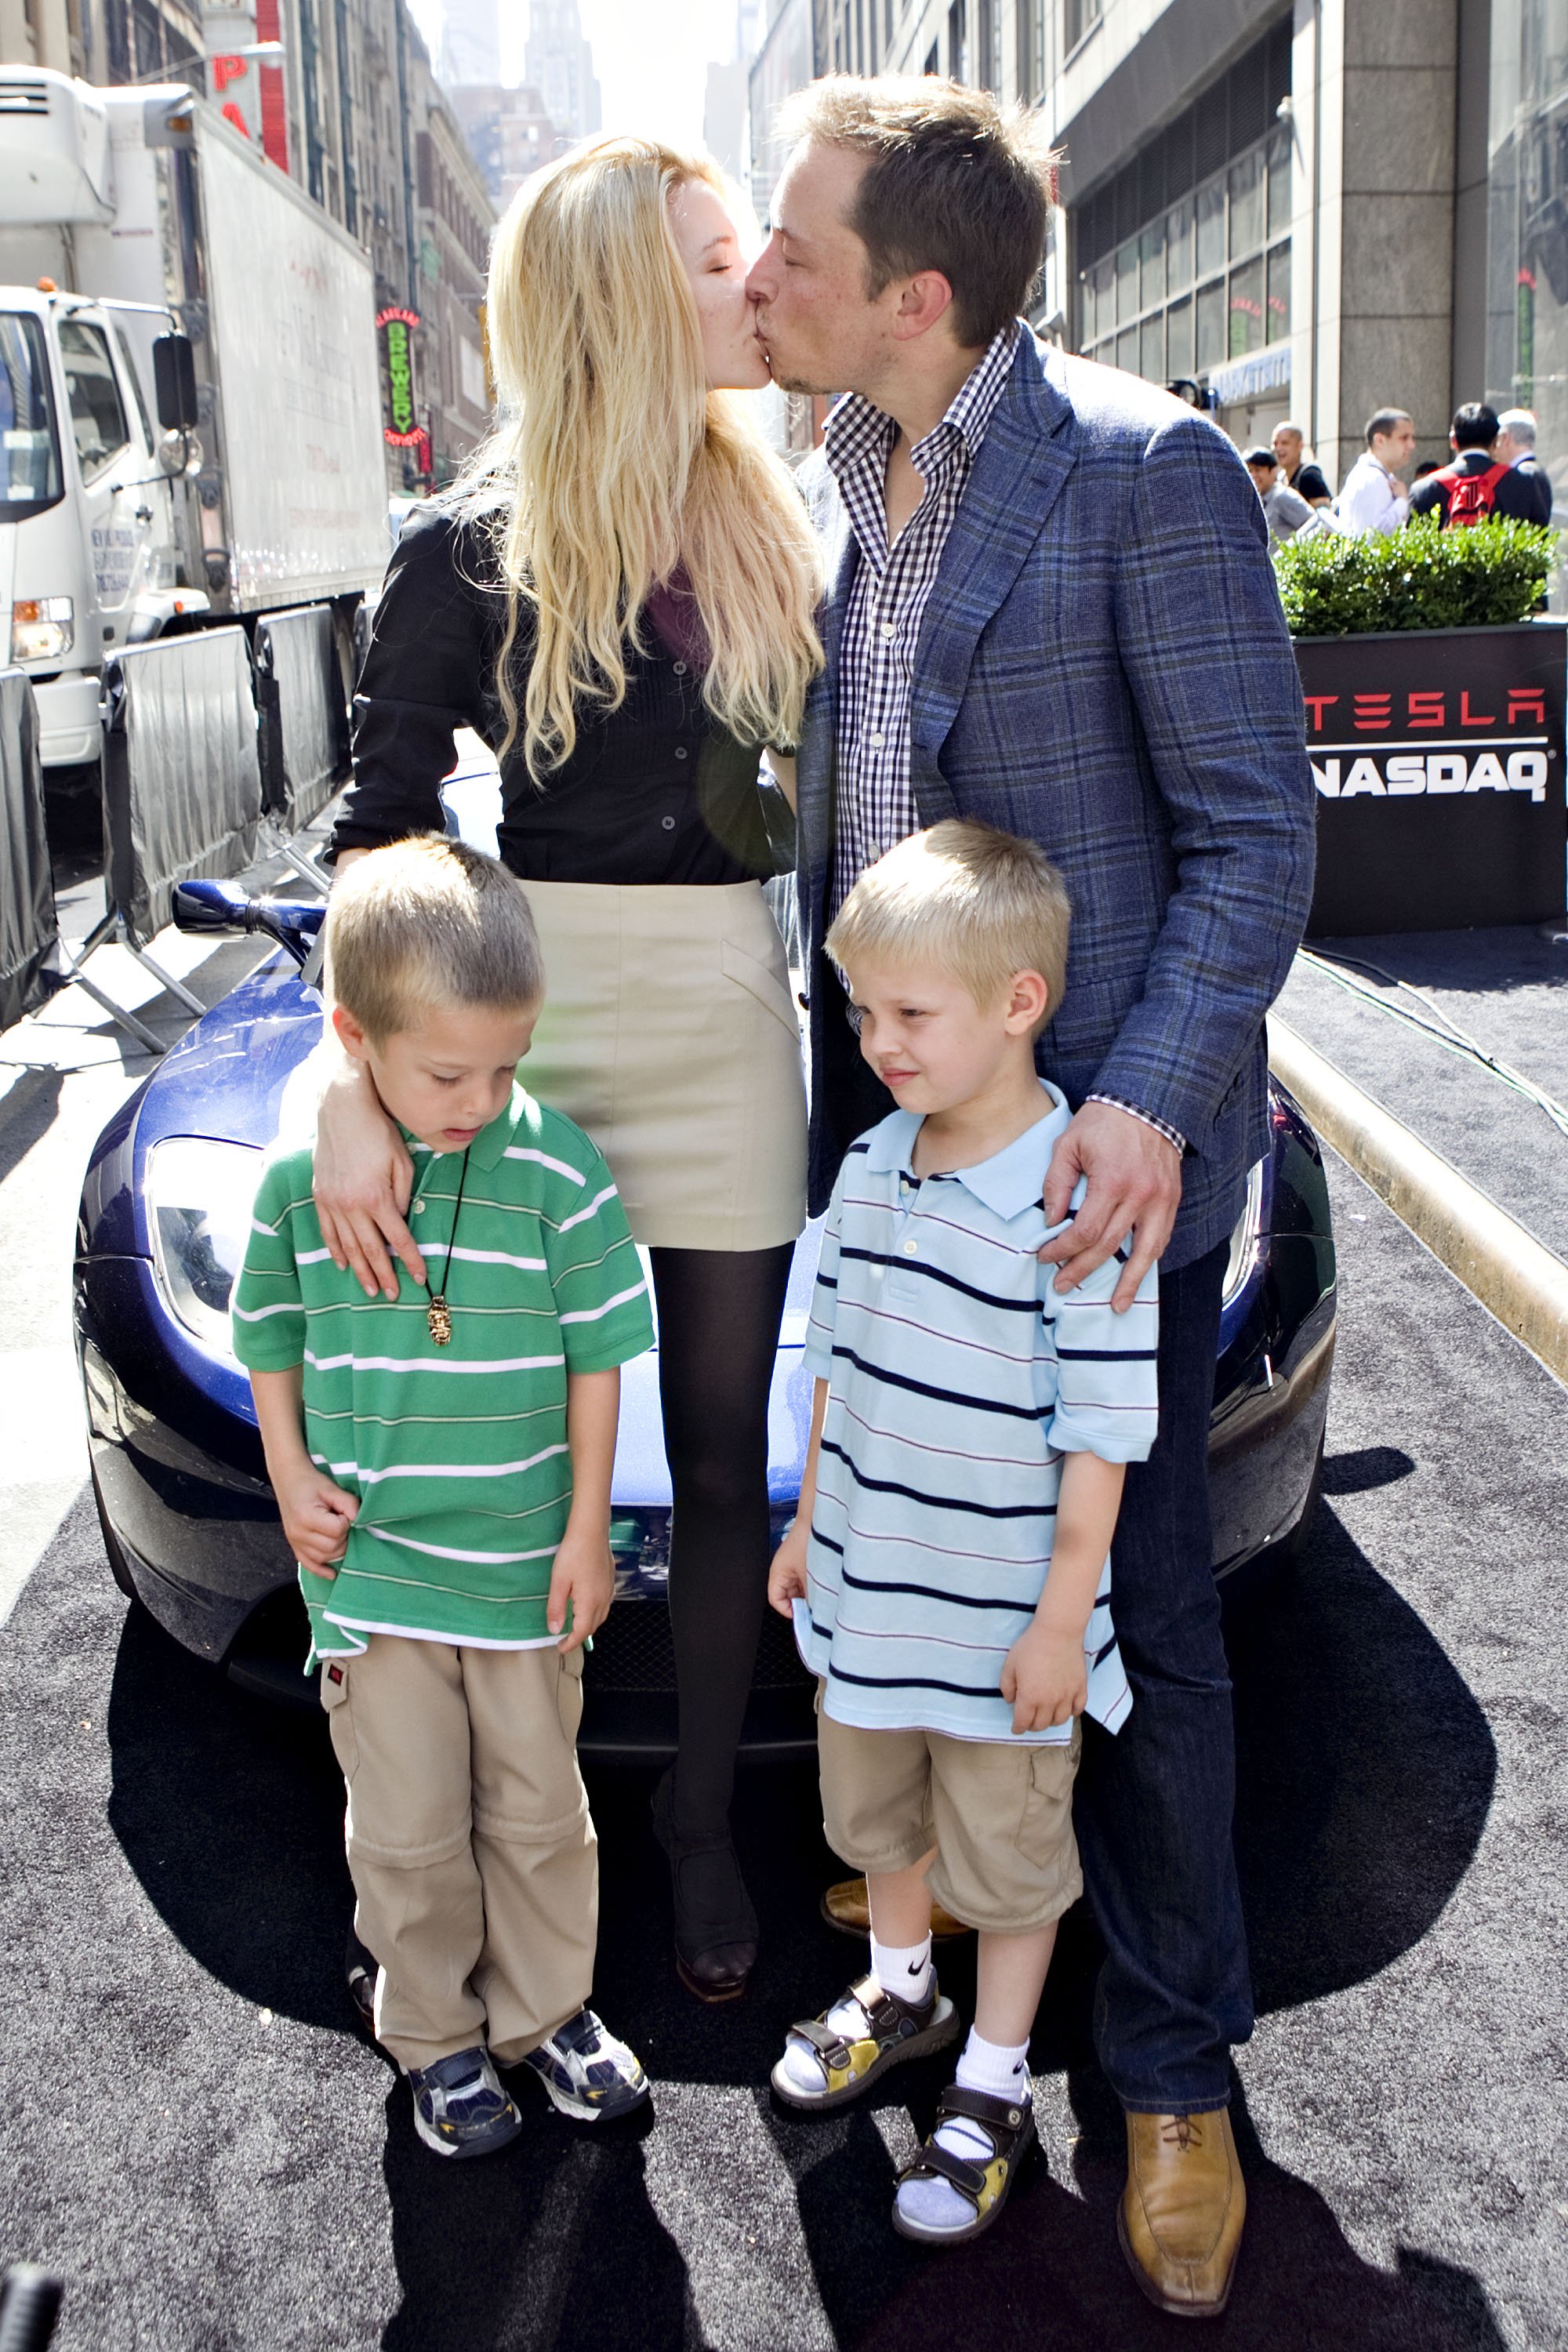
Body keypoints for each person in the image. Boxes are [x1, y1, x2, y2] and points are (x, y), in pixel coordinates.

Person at [746, 74, 1315, 2318]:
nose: (760, 283)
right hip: (888, 1144)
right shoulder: (853, 451)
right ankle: (920, 1959)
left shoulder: (1143, 466)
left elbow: (1257, 839)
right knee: (894, 1557)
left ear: (920, 294)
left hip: (1089, 1175)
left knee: (1134, 1616)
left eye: (796, 252)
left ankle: (1169, 2074)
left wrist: (1158, 1098)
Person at [306, 139, 825, 2005]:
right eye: (710, 256)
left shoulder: (783, 512)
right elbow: (372, 839)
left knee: (707, 1466)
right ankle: (501, 1837)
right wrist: (353, 1075)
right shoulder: (461, 547)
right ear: (620, 297)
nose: (750, 273)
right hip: (529, 1037)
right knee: (513, 1461)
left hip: (720, 1031)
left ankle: (692, 1820)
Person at [231, 837, 656, 2157]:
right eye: (446, 1072)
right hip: (370, 1578)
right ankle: (434, 2035)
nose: (481, 1098)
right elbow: (269, 1338)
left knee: (539, 1813)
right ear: (354, 1038)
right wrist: (289, 1474)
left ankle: (549, 2013)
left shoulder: (561, 1172)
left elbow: (599, 1360)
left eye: (507, 1066)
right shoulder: (304, 1186)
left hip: (529, 1570)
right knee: (407, 1834)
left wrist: (591, 1528)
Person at [768, 822, 1159, 2251]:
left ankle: (995, 2083)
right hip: (870, 1608)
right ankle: (898, 1984)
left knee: (1007, 1860)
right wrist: (811, 1522)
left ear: (1017, 1003)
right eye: (862, 1011)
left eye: (909, 1013)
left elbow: (1102, 1433)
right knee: (879, 1826)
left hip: (1004, 1634)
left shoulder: (1080, 1203)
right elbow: (837, 1371)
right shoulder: (868, 1167)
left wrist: (1062, 1619)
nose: (877, 1041)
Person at [1409, 401, 1549, 528]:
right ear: (1496, 441)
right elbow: (1540, 539)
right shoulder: (1524, 483)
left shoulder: (1423, 489)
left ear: (1453, 441)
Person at [1336, 408, 1417, 535]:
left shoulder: (1376, 476)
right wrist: (1401, 502)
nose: (1412, 445)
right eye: (1404, 438)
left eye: (1412, 438)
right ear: (1380, 440)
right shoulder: (1371, 478)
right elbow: (1370, 537)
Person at [1494, 406, 1555, 522]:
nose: (1494, 447)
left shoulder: (1522, 475)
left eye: (1496, 439)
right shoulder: (1537, 472)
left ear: (1505, 438)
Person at [1243, 445, 1314, 540]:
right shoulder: (1256, 501)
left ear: (1273, 471)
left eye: (1257, 470)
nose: (1253, 476)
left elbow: (1315, 524)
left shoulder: (1283, 496)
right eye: (1249, 470)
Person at [1270, 419, 1332, 506]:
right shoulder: (1280, 479)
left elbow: (1324, 513)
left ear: (1300, 446)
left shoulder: (1310, 475)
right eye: (1275, 444)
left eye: (1285, 443)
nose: (1279, 448)